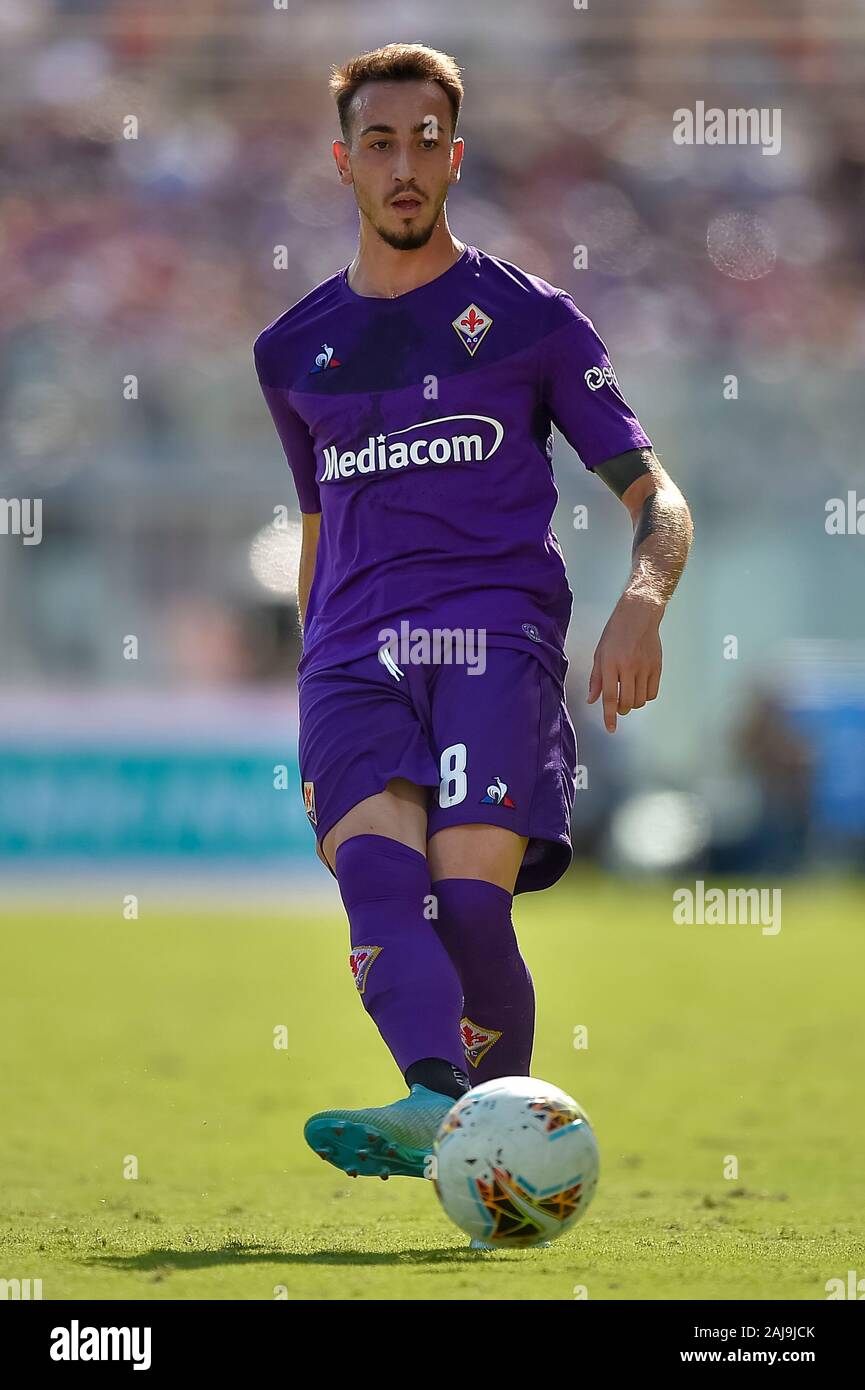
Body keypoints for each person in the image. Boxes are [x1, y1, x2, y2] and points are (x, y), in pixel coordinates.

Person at [254, 43, 693, 1184]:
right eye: (379, 143)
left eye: (425, 141)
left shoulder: (531, 321)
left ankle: (480, 1133)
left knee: (464, 902)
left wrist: (641, 599)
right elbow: (316, 527)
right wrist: (311, 680)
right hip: (350, 657)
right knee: (377, 881)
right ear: (342, 161)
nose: (403, 166)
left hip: (491, 635)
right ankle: (443, 1108)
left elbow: (657, 497)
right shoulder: (290, 349)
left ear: (456, 153)